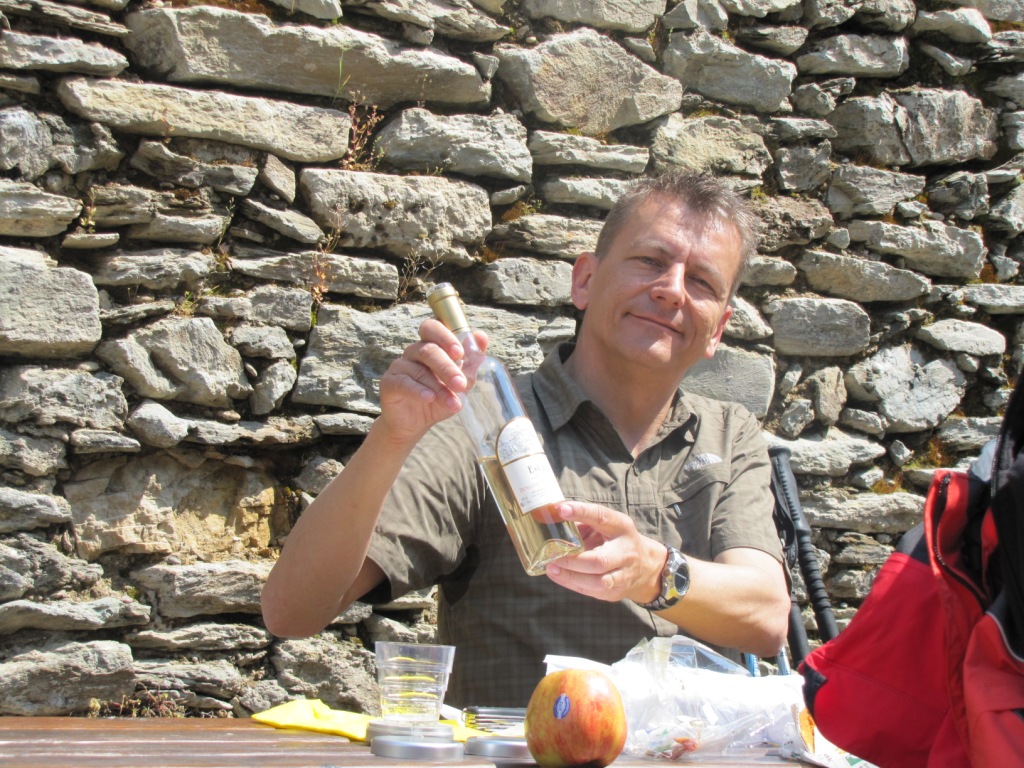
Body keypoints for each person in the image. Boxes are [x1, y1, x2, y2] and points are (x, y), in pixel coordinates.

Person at [262, 170, 791, 708]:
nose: (672, 290)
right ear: (584, 281)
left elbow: (767, 617)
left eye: (701, 281)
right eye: (651, 261)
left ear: (718, 329)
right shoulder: (483, 428)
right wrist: (391, 437)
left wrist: (652, 572)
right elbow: (292, 611)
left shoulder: (730, 435)